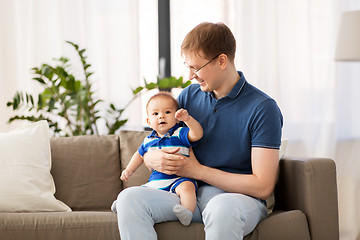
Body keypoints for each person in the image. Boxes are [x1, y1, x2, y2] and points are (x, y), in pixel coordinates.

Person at [115, 22, 283, 240]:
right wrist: (151, 158)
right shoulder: (188, 97)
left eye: (196, 67)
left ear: (222, 61)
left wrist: (197, 171)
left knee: (221, 207)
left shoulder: (263, 108)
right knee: (129, 198)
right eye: (188, 66)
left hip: (236, 199)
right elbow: (161, 142)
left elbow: (262, 186)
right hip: (187, 194)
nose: (190, 75)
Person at [113, 92, 203, 226]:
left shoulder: (179, 133)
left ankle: (187, 212)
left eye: (167, 112)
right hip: (155, 182)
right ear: (149, 121)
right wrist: (129, 170)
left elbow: (197, 134)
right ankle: (122, 204)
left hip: (179, 179)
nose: (161, 116)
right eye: (155, 114)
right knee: (136, 192)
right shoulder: (148, 140)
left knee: (188, 188)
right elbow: (139, 155)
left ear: (176, 118)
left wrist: (188, 120)